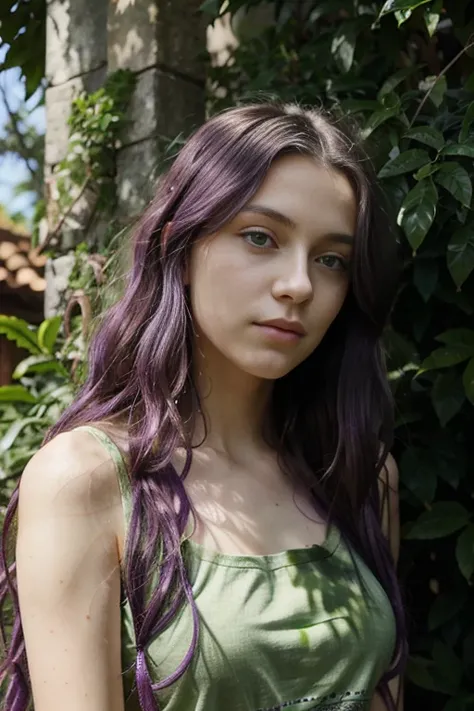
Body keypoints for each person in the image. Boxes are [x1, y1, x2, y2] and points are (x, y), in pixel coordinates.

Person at [0, 102, 407, 711]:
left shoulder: (361, 475)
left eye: (331, 260)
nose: (299, 284)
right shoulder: (87, 480)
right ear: (182, 247)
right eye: (260, 237)